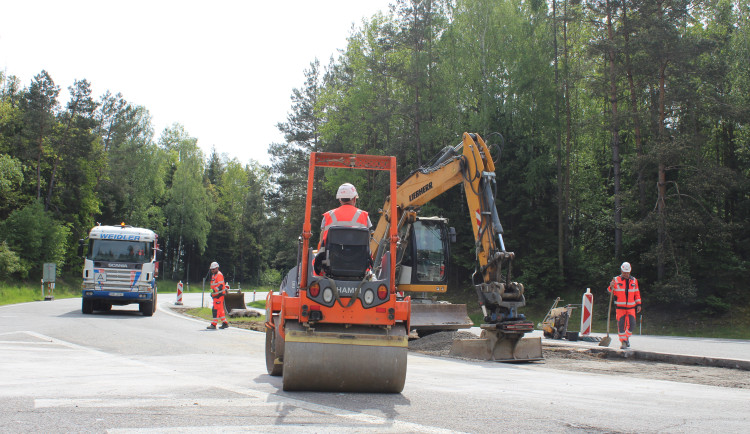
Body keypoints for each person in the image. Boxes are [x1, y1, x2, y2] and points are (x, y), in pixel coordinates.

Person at [313, 183, 372, 275]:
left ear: (340, 200)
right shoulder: (364, 216)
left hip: (332, 264)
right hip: (358, 265)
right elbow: (368, 241)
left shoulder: (328, 216)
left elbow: (322, 242)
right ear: (354, 199)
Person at [608, 262, 642, 349]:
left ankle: (626, 338)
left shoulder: (634, 280)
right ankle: (623, 342)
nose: (626, 274)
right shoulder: (615, 280)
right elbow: (610, 291)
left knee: (632, 324)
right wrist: (610, 286)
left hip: (631, 308)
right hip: (620, 308)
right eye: (624, 272)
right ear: (621, 271)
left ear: (630, 272)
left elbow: (637, 293)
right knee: (621, 325)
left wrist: (638, 304)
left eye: (627, 273)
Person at [207, 261, 229, 329]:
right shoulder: (214, 275)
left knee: (215, 309)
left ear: (217, 268)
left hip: (219, 295)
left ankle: (214, 324)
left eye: (213, 269)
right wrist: (212, 293)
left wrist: (214, 291)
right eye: (211, 269)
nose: (212, 270)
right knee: (220, 310)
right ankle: (225, 323)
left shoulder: (219, 275)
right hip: (216, 295)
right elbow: (214, 285)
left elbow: (220, 285)